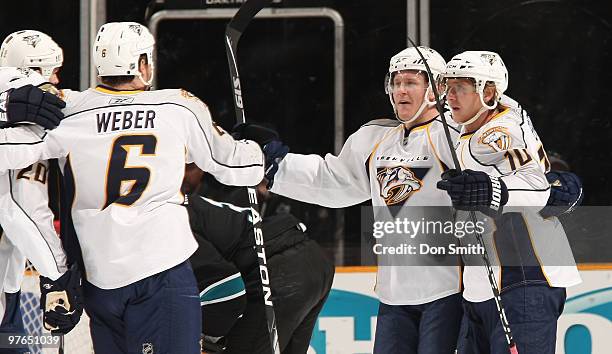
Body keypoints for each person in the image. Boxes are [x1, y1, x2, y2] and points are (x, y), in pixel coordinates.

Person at [1, 21, 264, 354]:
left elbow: (9, 149)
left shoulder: (67, 111)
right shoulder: (178, 107)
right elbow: (233, 166)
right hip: (161, 274)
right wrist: (261, 150)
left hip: (100, 279)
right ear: (141, 63)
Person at [235, 46, 464, 354]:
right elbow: (331, 180)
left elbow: (498, 176)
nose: (400, 91)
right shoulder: (375, 139)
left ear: (437, 88)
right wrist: (275, 162)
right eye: (395, 82)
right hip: (394, 295)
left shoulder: (455, 138)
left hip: (448, 292)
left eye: (411, 82)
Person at [437, 50, 581, 354]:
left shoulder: (498, 132)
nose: (450, 96)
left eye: (460, 87)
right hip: (482, 287)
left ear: (488, 91)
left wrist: (489, 189)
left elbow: (537, 186)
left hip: (524, 281)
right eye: (447, 87)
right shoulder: (474, 124)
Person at [182, 165, 334, 354]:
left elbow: (228, 289)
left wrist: (206, 337)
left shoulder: (166, 222)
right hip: (312, 259)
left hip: (277, 268)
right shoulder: (175, 205)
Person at [0, 66, 80, 353]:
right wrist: (57, 275)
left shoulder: (23, 124)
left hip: (9, 298)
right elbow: (21, 210)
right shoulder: (25, 130)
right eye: (53, 70)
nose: (57, 80)